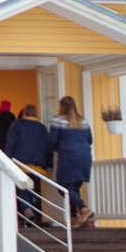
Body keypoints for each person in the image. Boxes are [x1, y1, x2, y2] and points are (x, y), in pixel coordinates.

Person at [49, 97, 96, 228]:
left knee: (63, 187)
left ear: (61, 106)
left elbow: (52, 141)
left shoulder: (58, 120)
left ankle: (83, 208)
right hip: (85, 157)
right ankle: (77, 218)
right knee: (73, 188)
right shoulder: (83, 121)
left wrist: (61, 147)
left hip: (69, 157)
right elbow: (90, 140)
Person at [5, 104, 52, 219]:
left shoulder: (17, 125)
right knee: (33, 190)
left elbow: (11, 143)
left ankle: (27, 210)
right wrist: (49, 163)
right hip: (37, 165)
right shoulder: (42, 128)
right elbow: (48, 147)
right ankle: (32, 212)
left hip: (21, 163)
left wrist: (6, 159)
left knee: (22, 189)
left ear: (24, 113)